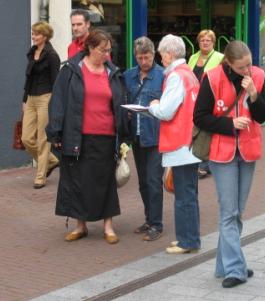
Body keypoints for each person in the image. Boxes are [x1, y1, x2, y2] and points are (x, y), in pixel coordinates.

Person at [193, 40, 265, 288]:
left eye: (249, 64)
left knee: (237, 212)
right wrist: (229, 125)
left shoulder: (257, 75)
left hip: (247, 150)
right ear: (228, 63)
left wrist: (255, 96)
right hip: (221, 152)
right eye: (241, 67)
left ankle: (224, 265)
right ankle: (236, 269)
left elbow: (262, 116)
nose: (247, 70)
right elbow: (200, 117)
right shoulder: (212, 77)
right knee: (229, 213)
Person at [46, 29, 127, 244]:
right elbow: (58, 102)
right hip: (77, 134)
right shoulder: (71, 70)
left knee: (105, 181)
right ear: (90, 48)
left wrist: (124, 132)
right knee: (77, 180)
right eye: (103, 50)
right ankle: (80, 226)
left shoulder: (112, 72)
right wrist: (55, 132)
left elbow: (120, 103)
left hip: (106, 135)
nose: (107, 54)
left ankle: (108, 226)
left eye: (109, 50)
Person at [148, 34, 201, 254]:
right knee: (188, 194)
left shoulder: (176, 77)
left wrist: (153, 105)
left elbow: (166, 111)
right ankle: (188, 237)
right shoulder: (189, 74)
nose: (161, 59)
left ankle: (187, 242)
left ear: (169, 54)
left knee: (183, 196)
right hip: (191, 143)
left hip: (180, 144)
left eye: (161, 54)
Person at [123, 37, 165, 241]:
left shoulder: (163, 76)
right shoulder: (129, 76)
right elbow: (123, 100)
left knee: (153, 180)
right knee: (143, 182)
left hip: (156, 137)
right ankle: (149, 219)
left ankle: (157, 224)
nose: (143, 62)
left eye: (146, 57)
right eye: (139, 58)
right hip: (137, 136)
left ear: (154, 54)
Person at [22, 21, 60, 189]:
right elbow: (28, 79)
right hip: (30, 98)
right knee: (26, 138)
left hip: (46, 98)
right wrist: (24, 100)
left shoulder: (52, 55)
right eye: (32, 33)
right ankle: (52, 161)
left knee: (43, 139)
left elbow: (56, 81)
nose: (33, 36)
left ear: (44, 36)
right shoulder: (32, 53)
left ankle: (40, 176)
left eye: (36, 34)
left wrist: (54, 103)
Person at [188, 29, 224, 179]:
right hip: (193, 98)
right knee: (194, 129)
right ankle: (196, 159)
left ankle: (205, 163)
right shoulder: (193, 57)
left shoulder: (220, 57)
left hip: (211, 98)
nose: (205, 42)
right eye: (202, 40)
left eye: (208, 40)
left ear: (213, 42)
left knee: (206, 130)